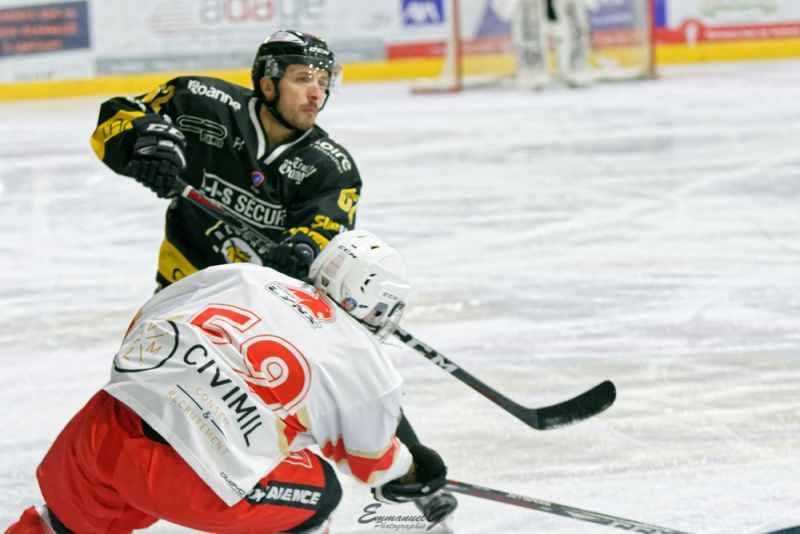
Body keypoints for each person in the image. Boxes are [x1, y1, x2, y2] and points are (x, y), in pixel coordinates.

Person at [5, 230, 453, 534]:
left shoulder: (243, 276)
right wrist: (414, 471)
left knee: (61, 527)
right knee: (320, 497)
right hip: (186, 478)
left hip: (102, 430)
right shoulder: (366, 361)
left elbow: (148, 319)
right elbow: (372, 461)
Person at [90, 30, 362, 289]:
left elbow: (327, 235)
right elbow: (122, 113)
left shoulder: (331, 167)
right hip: (185, 278)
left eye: (323, 83)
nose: (316, 93)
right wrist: (142, 141)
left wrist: (304, 251)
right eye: (303, 79)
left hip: (267, 296)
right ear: (268, 84)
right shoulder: (203, 102)